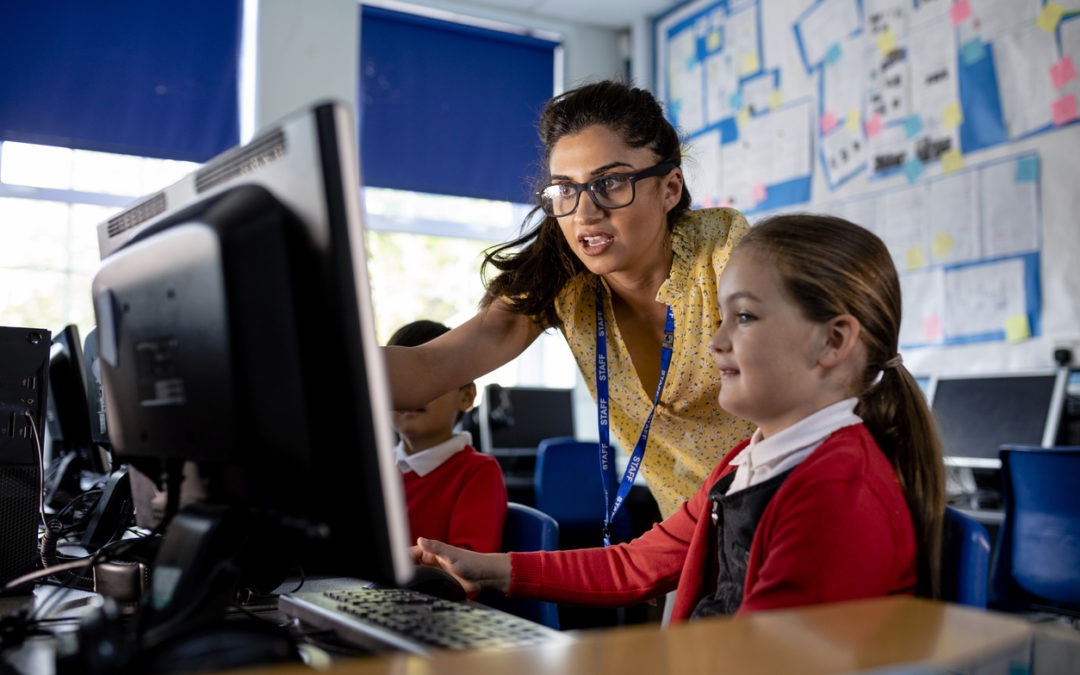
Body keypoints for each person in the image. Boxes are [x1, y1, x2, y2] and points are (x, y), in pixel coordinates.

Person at [411, 214, 947, 620]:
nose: (715, 341)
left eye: (743, 317)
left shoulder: (837, 496)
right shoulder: (749, 462)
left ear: (833, 341)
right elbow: (636, 565)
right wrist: (487, 567)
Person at [384, 80, 757, 522]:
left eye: (611, 182)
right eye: (565, 189)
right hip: (692, 537)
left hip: (796, 512)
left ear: (670, 189)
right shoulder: (564, 284)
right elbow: (427, 369)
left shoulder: (728, 258)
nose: (584, 213)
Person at [387, 320, 507, 553]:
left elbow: (468, 574)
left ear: (466, 397)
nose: (411, 392)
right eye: (397, 380)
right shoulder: (374, 468)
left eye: (427, 379)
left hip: (427, 590)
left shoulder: (478, 472)